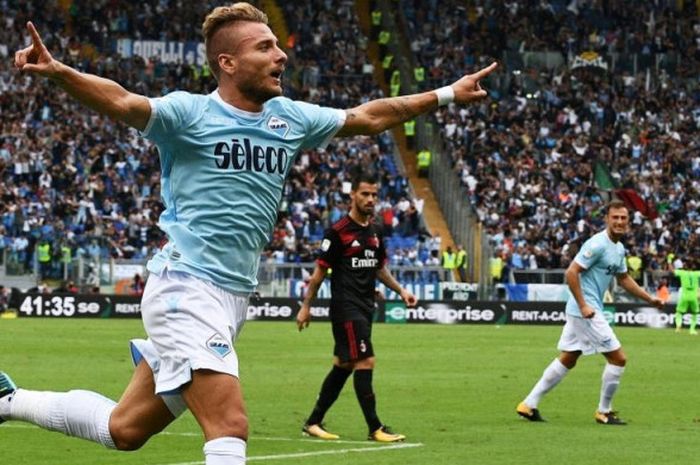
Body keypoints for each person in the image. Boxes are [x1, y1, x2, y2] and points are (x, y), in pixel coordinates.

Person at [1, 3, 497, 465]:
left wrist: (449, 93)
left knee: (124, 430)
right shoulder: (189, 113)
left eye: (276, 45)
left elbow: (369, 117)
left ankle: (10, 399)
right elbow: (125, 102)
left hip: (233, 296)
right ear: (228, 63)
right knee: (229, 427)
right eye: (264, 47)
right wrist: (61, 72)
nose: (280, 54)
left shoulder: (291, 118)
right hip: (185, 288)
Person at [516, 200, 664, 425]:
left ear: (628, 221)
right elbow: (571, 273)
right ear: (606, 219)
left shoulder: (618, 248)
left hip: (583, 311)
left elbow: (623, 279)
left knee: (568, 358)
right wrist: (584, 305)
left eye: (623, 218)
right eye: (615, 217)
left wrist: (649, 298)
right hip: (587, 312)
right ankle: (604, 412)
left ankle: (528, 404)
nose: (619, 222)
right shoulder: (597, 244)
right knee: (618, 359)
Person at [296, 170, 417, 442]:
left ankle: (313, 421)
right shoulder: (338, 232)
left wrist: (401, 291)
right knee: (366, 360)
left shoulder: (374, 232)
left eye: (374, 194)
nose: (371, 199)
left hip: (364, 307)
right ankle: (375, 428)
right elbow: (318, 275)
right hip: (345, 308)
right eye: (365, 194)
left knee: (344, 364)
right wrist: (306, 307)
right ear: (353, 195)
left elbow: (379, 268)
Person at [673, 261, 700, 335]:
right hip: (694, 297)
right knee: (695, 313)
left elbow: (672, 271)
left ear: (685, 266)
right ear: (693, 267)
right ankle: (692, 330)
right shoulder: (697, 273)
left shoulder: (682, 273)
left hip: (684, 296)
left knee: (679, 312)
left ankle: (678, 326)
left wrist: (669, 261)